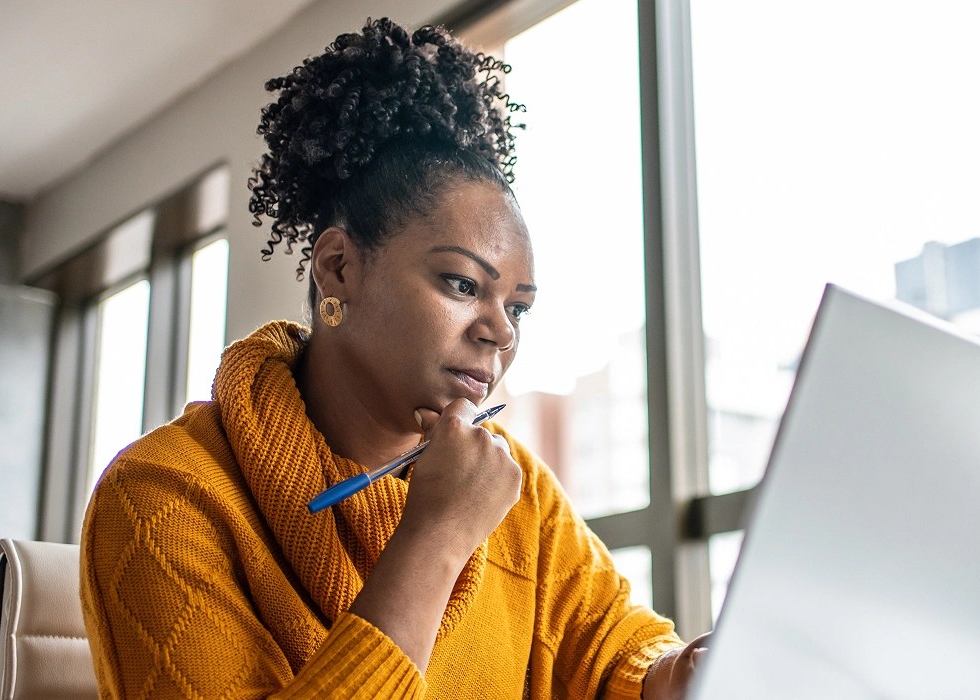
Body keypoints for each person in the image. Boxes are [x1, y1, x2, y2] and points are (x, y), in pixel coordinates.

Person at [80, 17, 707, 699]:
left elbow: (622, 655)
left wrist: (685, 673)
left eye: (518, 307)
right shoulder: (163, 496)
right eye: (463, 285)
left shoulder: (517, 490)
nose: (500, 331)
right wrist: (436, 537)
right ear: (339, 268)